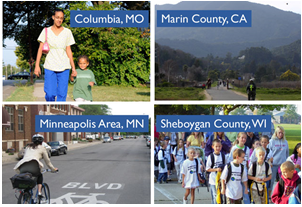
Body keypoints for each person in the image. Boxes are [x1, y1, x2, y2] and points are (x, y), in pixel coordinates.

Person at [35, 9, 76, 101]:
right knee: (49, 94)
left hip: (64, 66)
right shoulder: (46, 31)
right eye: (57, 17)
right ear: (53, 17)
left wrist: (73, 68)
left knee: (62, 95)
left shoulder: (67, 32)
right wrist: (37, 66)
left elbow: (68, 50)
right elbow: (40, 49)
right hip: (50, 65)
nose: (59, 20)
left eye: (61, 18)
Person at [228, 132, 251, 204]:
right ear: (238, 138)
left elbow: (247, 161)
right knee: (237, 189)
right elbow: (230, 160)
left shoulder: (247, 149)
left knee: (245, 190)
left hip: (244, 171)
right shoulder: (234, 148)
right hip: (235, 171)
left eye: (245, 138)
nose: (244, 139)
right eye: (242, 138)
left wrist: (248, 170)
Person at [268, 126, 289, 196]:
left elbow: (287, 153)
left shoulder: (285, 142)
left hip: (282, 166)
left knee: (282, 181)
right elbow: (268, 152)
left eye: (282, 133)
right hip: (273, 165)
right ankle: (269, 196)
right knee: (271, 181)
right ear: (276, 133)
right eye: (279, 133)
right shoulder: (271, 141)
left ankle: (281, 195)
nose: (281, 134)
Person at [206, 139, 226, 204]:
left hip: (221, 180)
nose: (218, 148)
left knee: (220, 196)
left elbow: (226, 166)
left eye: (219, 146)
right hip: (213, 180)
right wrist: (216, 169)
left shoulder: (223, 156)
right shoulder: (211, 156)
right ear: (213, 147)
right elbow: (207, 169)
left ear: (221, 146)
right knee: (215, 196)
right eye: (216, 146)